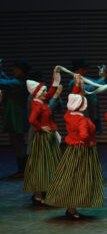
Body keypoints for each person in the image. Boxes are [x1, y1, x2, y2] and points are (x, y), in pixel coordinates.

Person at [45, 74, 103, 219]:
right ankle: (72, 209)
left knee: (70, 177)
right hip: (81, 150)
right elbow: (84, 135)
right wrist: (89, 136)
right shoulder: (82, 121)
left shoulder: (69, 115)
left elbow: (74, 100)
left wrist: (77, 85)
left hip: (71, 150)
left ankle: (71, 208)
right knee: (78, 179)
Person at [23, 67, 62, 205]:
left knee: (48, 164)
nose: (46, 92)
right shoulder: (36, 103)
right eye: (43, 90)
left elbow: (52, 90)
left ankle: (44, 193)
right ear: (38, 92)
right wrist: (41, 126)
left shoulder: (42, 100)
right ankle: (38, 195)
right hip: (41, 137)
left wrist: (55, 75)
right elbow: (32, 119)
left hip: (48, 135)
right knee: (42, 165)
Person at [0, 59, 32, 179]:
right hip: (17, 116)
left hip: (16, 118)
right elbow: (7, 80)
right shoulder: (20, 82)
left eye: (17, 69)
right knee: (18, 143)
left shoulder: (18, 83)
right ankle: (23, 170)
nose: (14, 71)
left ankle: (22, 171)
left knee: (17, 143)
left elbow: (3, 82)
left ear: (22, 71)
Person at [67, 59, 107, 134]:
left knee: (92, 134)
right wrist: (102, 79)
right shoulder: (73, 82)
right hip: (83, 114)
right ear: (76, 71)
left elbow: (98, 85)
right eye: (83, 69)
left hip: (92, 112)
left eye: (85, 69)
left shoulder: (86, 79)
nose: (85, 71)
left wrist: (102, 76)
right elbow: (89, 89)